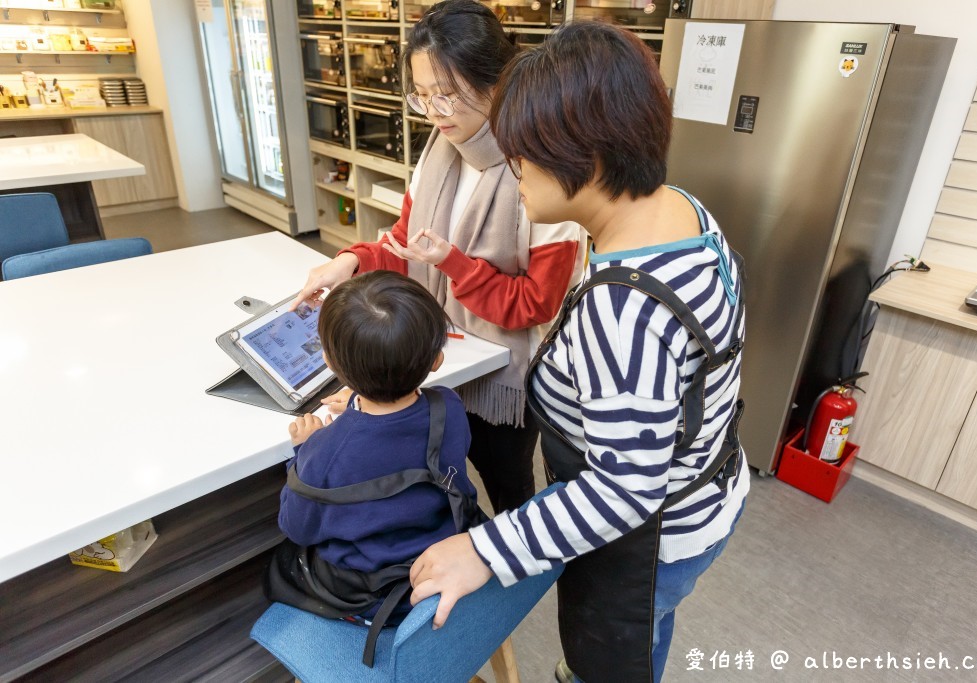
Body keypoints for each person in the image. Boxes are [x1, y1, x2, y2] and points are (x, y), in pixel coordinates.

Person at [408, 21, 749, 683]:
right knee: (648, 631)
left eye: (524, 156)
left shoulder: (626, 312)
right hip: (707, 490)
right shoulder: (678, 210)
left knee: (607, 661)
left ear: (585, 157)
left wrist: (485, 548)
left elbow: (624, 488)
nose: (513, 171)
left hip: (651, 541)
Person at [291, 0, 585, 515]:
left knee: (507, 486)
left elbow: (535, 304)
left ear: (498, 82)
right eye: (422, 95)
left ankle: (511, 580)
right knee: (434, 478)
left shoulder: (542, 167)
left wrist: (453, 263)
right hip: (435, 357)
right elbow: (407, 245)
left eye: (447, 95)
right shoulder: (439, 150)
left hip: (502, 375)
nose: (433, 112)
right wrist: (351, 262)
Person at [265, 271, 484, 664]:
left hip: (370, 596)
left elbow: (296, 527)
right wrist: (362, 398)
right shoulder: (448, 406)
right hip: (439, 561)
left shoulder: (322, 453)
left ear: (330, 361)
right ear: (436, 359)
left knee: (280, 564)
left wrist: (303, 449)